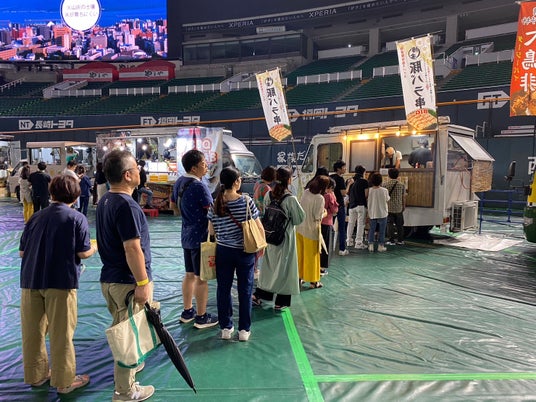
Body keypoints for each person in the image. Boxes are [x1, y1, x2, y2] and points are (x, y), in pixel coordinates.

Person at [19, 175, 96, 395]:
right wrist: (95, 247)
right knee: (61, 334)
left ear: (51, 193)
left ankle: (36, 375)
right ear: (75, 195)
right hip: (60, 282)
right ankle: (64, 381)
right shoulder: (76, 218)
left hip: (30, 280)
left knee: (32, 332)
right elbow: (83, 252)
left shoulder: (36, 217)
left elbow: (22, 252)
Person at [95, 149, 155, 402]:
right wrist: (142, 282)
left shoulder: (106, 200)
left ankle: (131, 368)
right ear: (127, 175)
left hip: (111, 279)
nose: (140, 171)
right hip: (126, 282)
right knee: (127, 338)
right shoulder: (126, 205)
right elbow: (132, 248)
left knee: (123, 329)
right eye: (136, 168)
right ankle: (125, 391)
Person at [208, 167, 263, 341]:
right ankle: (244, 330)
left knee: (223, 289)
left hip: (223, 251)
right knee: (245, 290)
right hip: (245, 251)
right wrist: (262, 245)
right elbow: (258, 227)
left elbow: (211, 231)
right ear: (236, 182)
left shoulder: (215, 203)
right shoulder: (246, 201)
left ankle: (226, 328)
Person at [170, 150, 218, 329]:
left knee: (189, 275)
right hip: (200, 237)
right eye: (203, 164)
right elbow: (211, 210)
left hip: (186, 235)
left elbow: (173, 206)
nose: (206, 166)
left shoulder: (179, 182)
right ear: (193, 168)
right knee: (201, 278)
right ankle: (201, 317)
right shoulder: (200, 186)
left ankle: (187, 311)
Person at [253, 167, 305, 310]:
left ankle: (260, 295)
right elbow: (298, 219)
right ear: (289, 180)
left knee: (268, 267)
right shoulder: (291, 199)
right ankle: (281, 301)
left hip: (270, 236)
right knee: (285, 269)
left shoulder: (269, 195)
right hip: (285, 238)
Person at [297, 175, 330, 289]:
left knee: (300, 256)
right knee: (312, 258)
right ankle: (313, 281)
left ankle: (298, 278)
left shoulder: (306, 192)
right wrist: (325, 213)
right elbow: (317, 217)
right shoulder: (320, 198)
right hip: (311, 231)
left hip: (299, 229)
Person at [330, 160, 353, 256]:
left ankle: (328, 247)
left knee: (329, 226)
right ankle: (342, 249)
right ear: (339, 169)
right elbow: (344, 193)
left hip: (330, 205)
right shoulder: (340, 179)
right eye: (344, 167)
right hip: (339, 205)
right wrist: (349, 184)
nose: (345, 169)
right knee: (342, 227)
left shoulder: (331, 177)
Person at [346, 165, 369, 249]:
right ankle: (358, 243)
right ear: (363, 172)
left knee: (351, 223)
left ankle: (349, 241)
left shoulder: (350, 180)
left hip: (351, 205)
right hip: (361, 205)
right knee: (360, 224)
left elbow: (347, 192)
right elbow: (366, 194)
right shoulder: (364, 181)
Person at [367, 172, 390, 252]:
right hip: (383, 212)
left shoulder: (369, 190)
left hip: (372, 212)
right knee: (382, 230)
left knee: (372, 229)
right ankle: (381, 246)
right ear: (381, 181)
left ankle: (370, 245)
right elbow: (387, 199)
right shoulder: (385, 190)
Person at [320, 178, 338, 275]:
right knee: (325, 246)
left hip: (318, 223)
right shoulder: (329, 196)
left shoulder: (318, 194)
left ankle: (316, 266)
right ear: (330, 187)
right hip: (327, 222)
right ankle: (322, 268)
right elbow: (335, 210)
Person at [384, 168, 407, 245]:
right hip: (398, 208)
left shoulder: (385, 185)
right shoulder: (402, 185)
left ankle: (391, 240)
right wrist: (404, 206)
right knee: (400, 225)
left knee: (390, 224)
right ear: (398, 175)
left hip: (389, 207)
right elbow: (404, 197)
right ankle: (400, 240)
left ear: (389, 175)